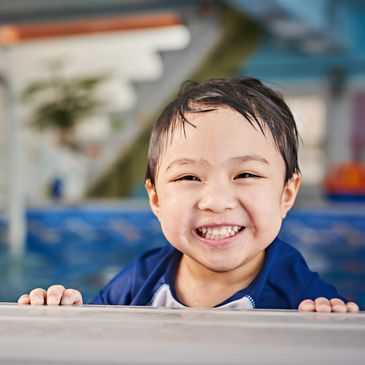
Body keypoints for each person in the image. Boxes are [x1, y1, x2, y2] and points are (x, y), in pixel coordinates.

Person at [18, 77, 359, 312]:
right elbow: (93, 340)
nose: (216, 201)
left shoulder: (306, 301)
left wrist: (332, 323)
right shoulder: (140, 281)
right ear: (155, 199)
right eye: (189, 176)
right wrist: (62, 315)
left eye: (246, 174)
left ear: (287, 194)